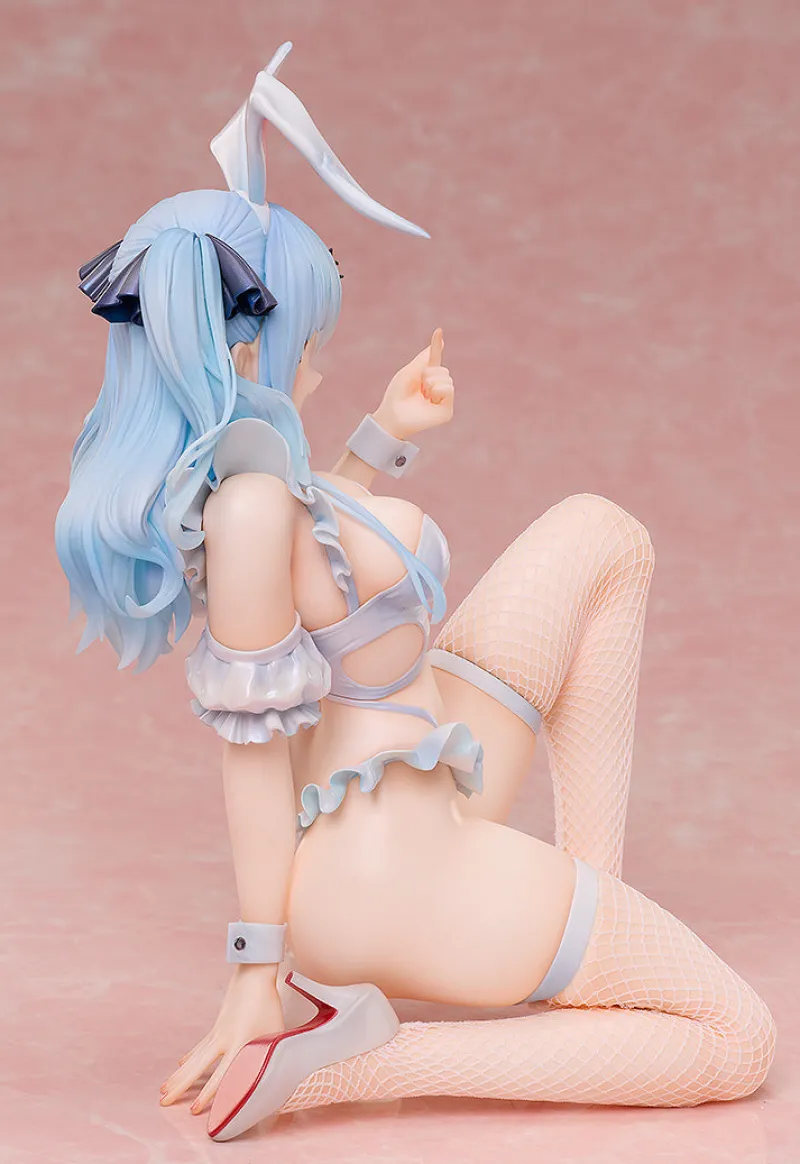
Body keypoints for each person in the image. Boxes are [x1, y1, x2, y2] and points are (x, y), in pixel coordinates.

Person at [56, 47, 776, 1143]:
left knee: (600, 534)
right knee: (736, 1040)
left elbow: (322, 562)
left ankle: (587, 899)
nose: (317, 359)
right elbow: (252, 755)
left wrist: (384, 435)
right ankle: (358, 1057)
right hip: (383, 870)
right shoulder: (248, 509)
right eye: (308, 337)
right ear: (246, 350)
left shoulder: (264, 488)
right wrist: (256, 971)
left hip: (425, 768)